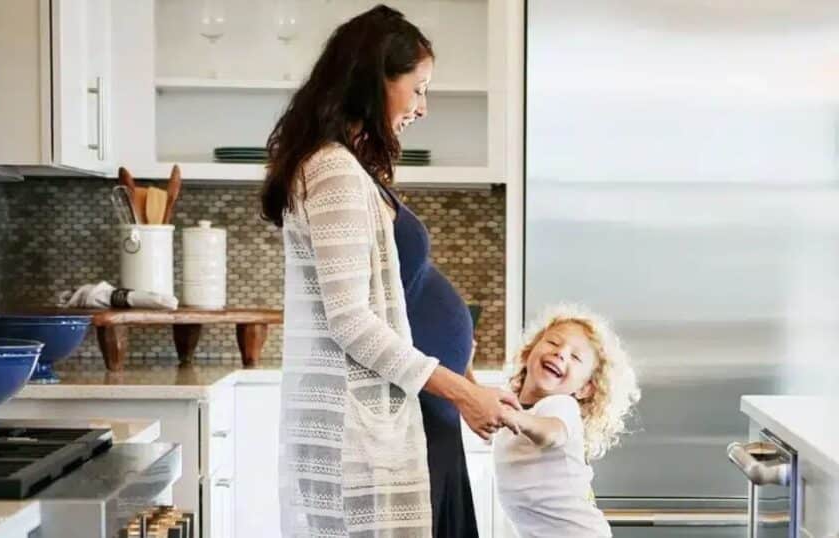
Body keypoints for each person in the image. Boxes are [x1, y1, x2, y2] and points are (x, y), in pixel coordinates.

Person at [260, 5, 519, 537]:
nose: (423, 107)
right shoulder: (332, 170)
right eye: (418, 88)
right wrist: (464, 393)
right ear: (376, 79)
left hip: (425, 414)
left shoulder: (348, 167)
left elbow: (404, 302)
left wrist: (464, 387)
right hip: (381, 429)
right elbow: (351, 321)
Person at [492, 304, 641, 538]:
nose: (560, 353)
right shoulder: (516, 410)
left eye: (575, 356)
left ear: (584, 389)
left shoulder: (561, 406)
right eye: (553, 343)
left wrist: (511, 417)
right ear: (527, 352)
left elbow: (551, 434)